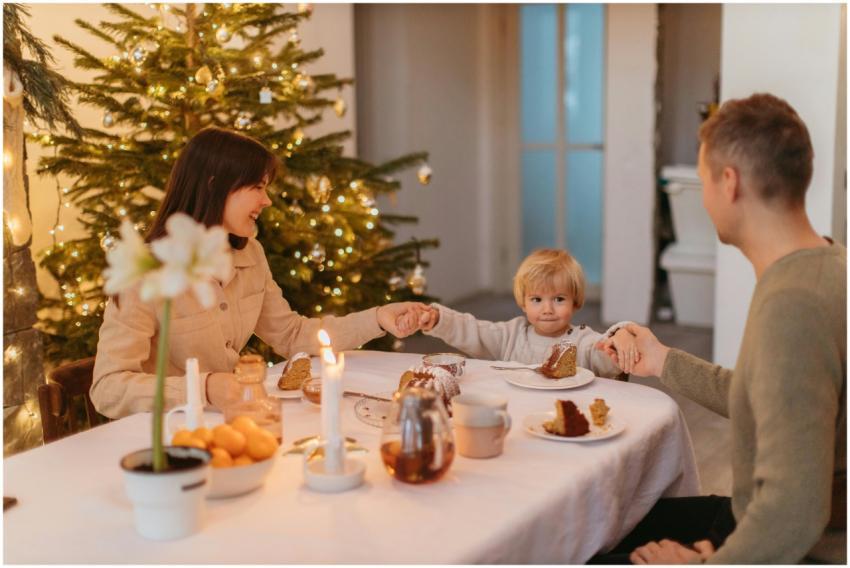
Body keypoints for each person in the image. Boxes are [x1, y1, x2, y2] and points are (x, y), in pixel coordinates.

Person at [595, 93, 846, 564]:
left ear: (728, 183)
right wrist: (661, 358)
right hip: (755, 519)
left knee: (591, 546)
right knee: (609, 518)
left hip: (786, 544)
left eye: (703, 175)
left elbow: (795, 512)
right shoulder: (824, 265)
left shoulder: (794, 304)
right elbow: (765, 397)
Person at [92, 127, 423, 419]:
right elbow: (108, 387)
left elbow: (292, 335)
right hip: (166, 446)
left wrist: (378, 318)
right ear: (214, 186)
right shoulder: (149, 271)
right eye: (257, 187)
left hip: (227, 426)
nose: (266, 201)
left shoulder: (250, 255)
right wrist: (203, 388)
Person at [406, 248, 639, 378]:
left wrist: (620, 338)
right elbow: (472, 330)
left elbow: (607, 357)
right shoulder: (510, 335)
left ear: (576, 302)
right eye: (537, 299)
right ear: (523, 303)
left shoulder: (584, 341)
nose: (547, 309)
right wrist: (439, 319)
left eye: (558, 299)